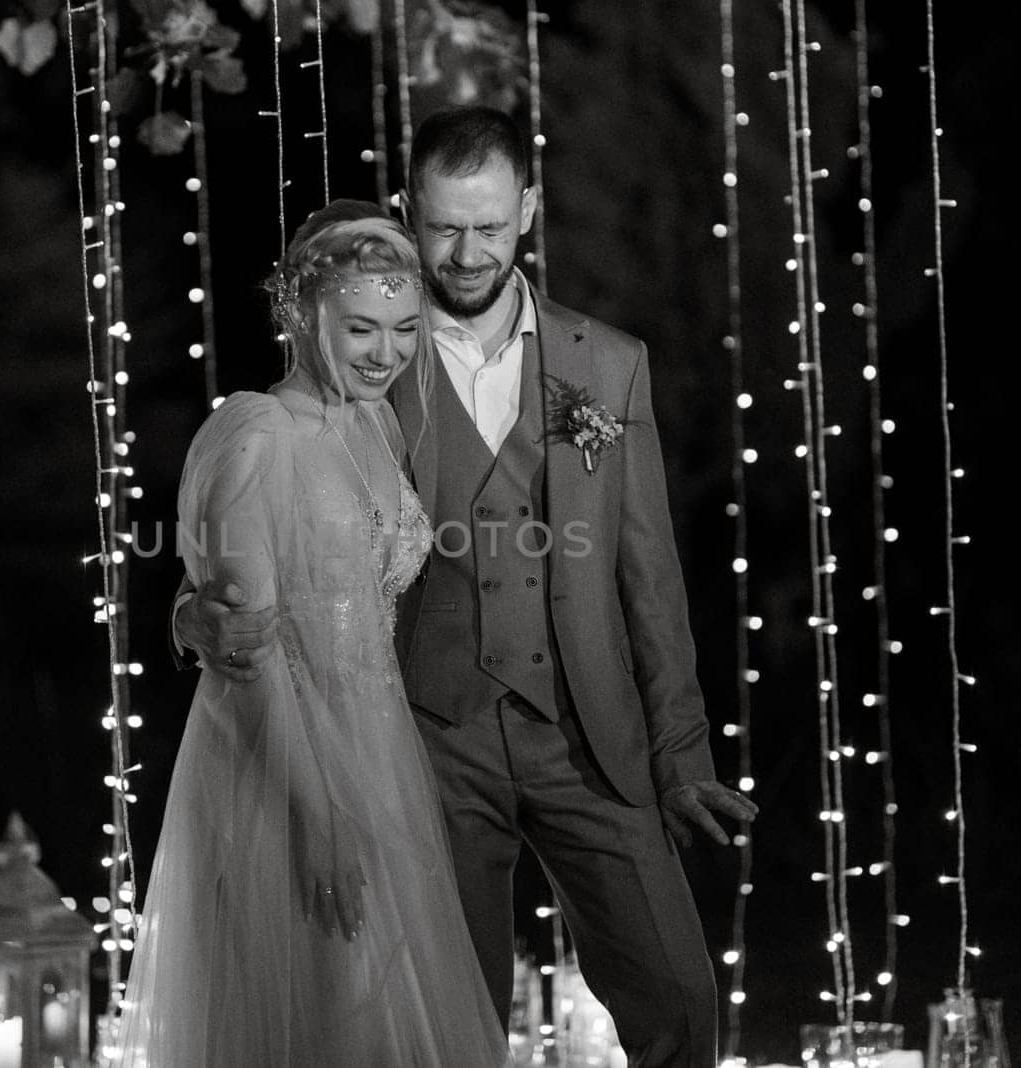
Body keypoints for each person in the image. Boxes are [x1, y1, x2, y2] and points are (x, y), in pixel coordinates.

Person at [177, 106, 757, 1067]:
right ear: (412, 212)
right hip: (428, 738)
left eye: (489, 225)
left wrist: (682, 749)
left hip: (588, 732)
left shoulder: (608, 364)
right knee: (454, 1021)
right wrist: (198, 610)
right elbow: (276, 531)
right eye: (444, 226)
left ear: (528, 210)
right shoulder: (369, 357)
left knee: (681, 996)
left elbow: (647, 574)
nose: (467, 249)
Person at [118, 206, 510, 1066]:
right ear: (303, 317)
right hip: (281, 762)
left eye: (406, 329)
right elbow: (248, 644)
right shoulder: (257, 432)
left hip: (380, 754)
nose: (386, 353)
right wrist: (319, 815)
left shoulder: (372, 421)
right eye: (361, 328)